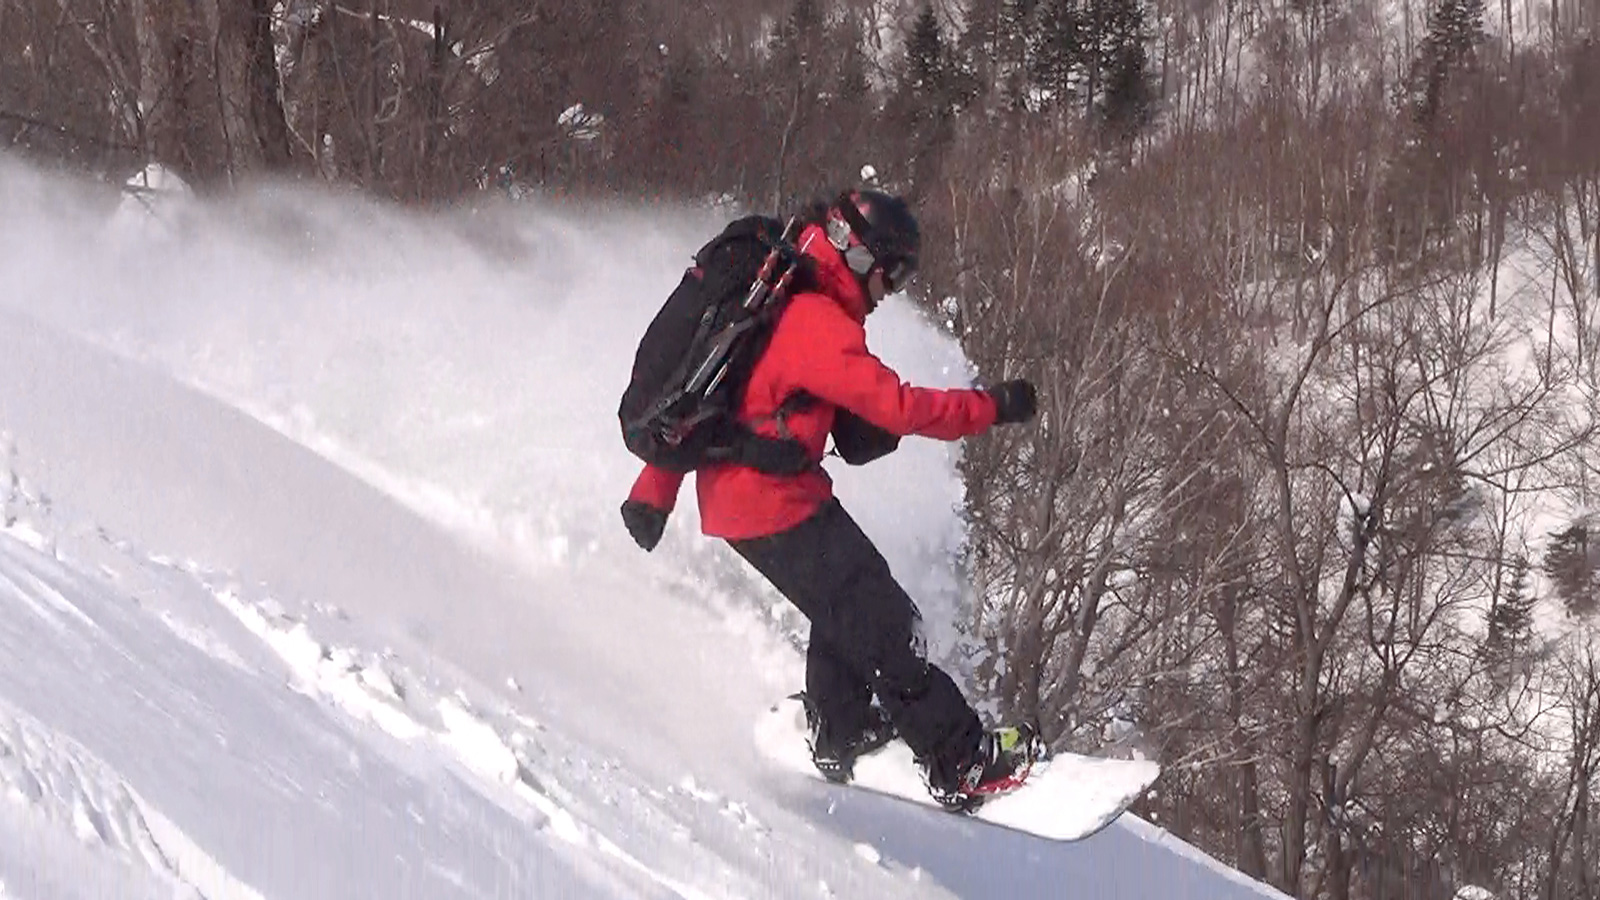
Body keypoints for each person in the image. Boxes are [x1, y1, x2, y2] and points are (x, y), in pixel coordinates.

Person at [620, 189, 1040, 809]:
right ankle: (963, 761)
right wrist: (992, 408)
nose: (890, 292)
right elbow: (901, 407)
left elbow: (716, 395)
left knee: (848, 600)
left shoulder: (781, 284)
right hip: (769, 503)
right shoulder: (815, 320)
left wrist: (655, 488)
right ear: (862, 258)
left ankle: (839, 726)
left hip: (763, 497)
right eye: (892, 275)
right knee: (888, 625)